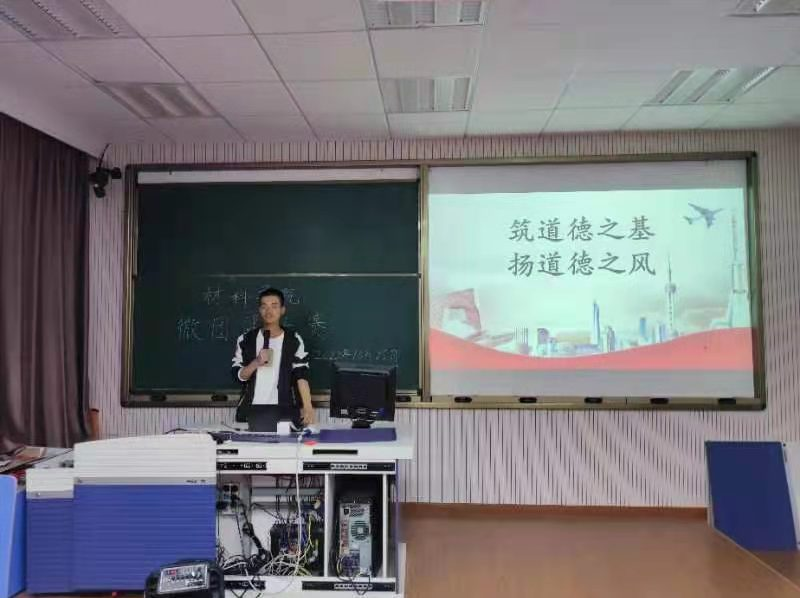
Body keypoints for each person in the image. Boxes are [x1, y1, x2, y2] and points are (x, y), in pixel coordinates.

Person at [231, 287, 315, 427]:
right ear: (259, 310)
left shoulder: (293, 340)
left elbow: (301, 375)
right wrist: (256, 362)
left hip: (283, 410)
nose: (269, 311)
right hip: (251, 411)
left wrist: (307, 406)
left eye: (274, 306)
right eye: (264, 306)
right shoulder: (246, 340)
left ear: (282, 310)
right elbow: (238, 375)